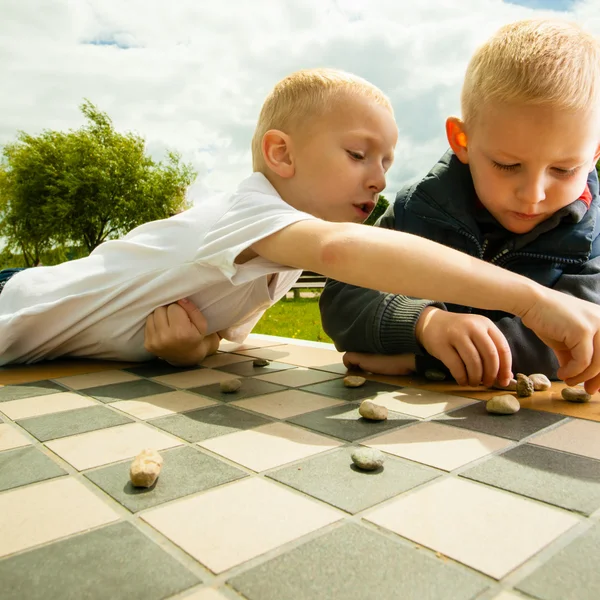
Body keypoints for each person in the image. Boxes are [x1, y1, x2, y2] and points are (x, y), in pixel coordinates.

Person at [3, 68, 600, 393]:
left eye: (387, 163)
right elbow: (344, 252)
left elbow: (213, 336)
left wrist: (191, 350)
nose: (378, 180)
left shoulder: (275, 263)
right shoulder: (249, 211)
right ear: (280, 154)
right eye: (359, 154)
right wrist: (531, 297)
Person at [319, 19, 600, 388]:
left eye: (564, 169)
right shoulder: (417, 208)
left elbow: (569, 346)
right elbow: (342, 296)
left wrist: (420, 361)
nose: (534, 194)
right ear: (462, 140)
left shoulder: (592, 236)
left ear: (594, 153)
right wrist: (426, 324)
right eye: (507, 165)